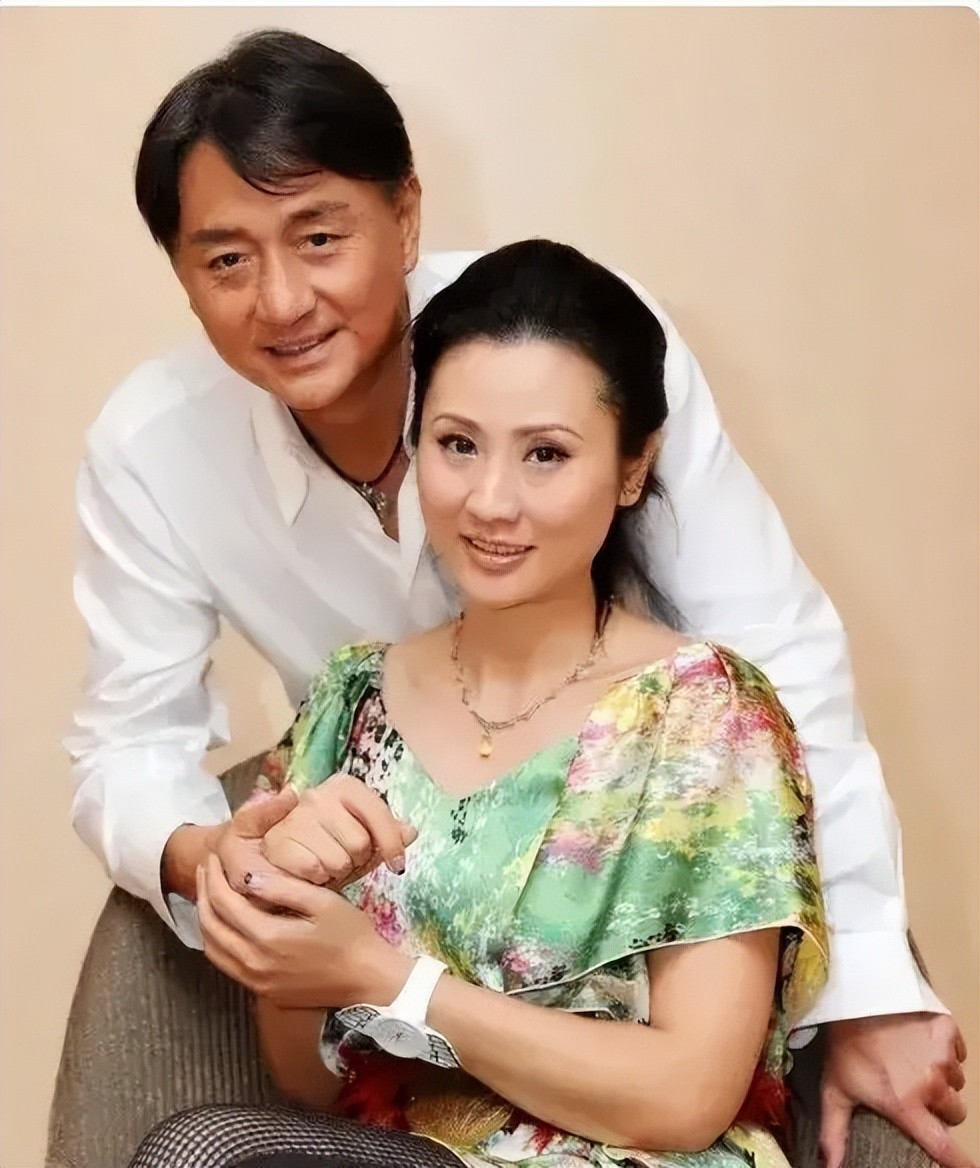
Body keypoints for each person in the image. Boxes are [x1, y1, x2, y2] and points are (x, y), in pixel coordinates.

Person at [64, 28, 970, 1168]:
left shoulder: (567, 348)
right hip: (413, 1034)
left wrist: (871, 984)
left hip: (638, 905)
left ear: (405, 215)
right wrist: (234, 866)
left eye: (320, 237)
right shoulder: (190, 492)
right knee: (207, 1147)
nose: (283, 299)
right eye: (227, 259)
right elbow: (128, 746)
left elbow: (774, 653)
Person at [129, 238, 831, 1168]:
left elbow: (686, 1098)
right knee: (209, 1151)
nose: (491, 502)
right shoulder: (351, 702)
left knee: (198, 1150)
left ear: (633, 468)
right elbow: (310, 1084)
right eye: (458, 445)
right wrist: (287, 914)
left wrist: (385, 977)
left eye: (546, 454)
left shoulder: (706, 718)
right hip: (401, 1157)